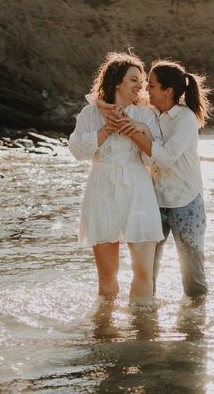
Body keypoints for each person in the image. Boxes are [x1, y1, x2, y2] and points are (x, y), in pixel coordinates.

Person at [68, 52, 164, 305]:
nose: (140, 85)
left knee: (143, 271)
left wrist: (136, 130)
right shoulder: (91, 114)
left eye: (142, 81)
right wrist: (107, 129)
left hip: (138, 191)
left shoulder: (146, 115)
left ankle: (141, 331)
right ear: (116, 82)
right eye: (134, 79)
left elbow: (155, 158)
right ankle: (106, 334)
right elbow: (78, 150)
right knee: (107, 277)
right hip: (102, 190)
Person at [109, 59, 210, 297]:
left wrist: (135, 132)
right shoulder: (152, 115)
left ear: (169, 91)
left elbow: (164, 159)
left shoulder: (185, 119)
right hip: (155, 201)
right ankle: (146, 324)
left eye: (152, 85)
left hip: (186, 202)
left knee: (193, 276)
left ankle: (194, 327)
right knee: (147, 268)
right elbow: (148, 158)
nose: (146, 90)